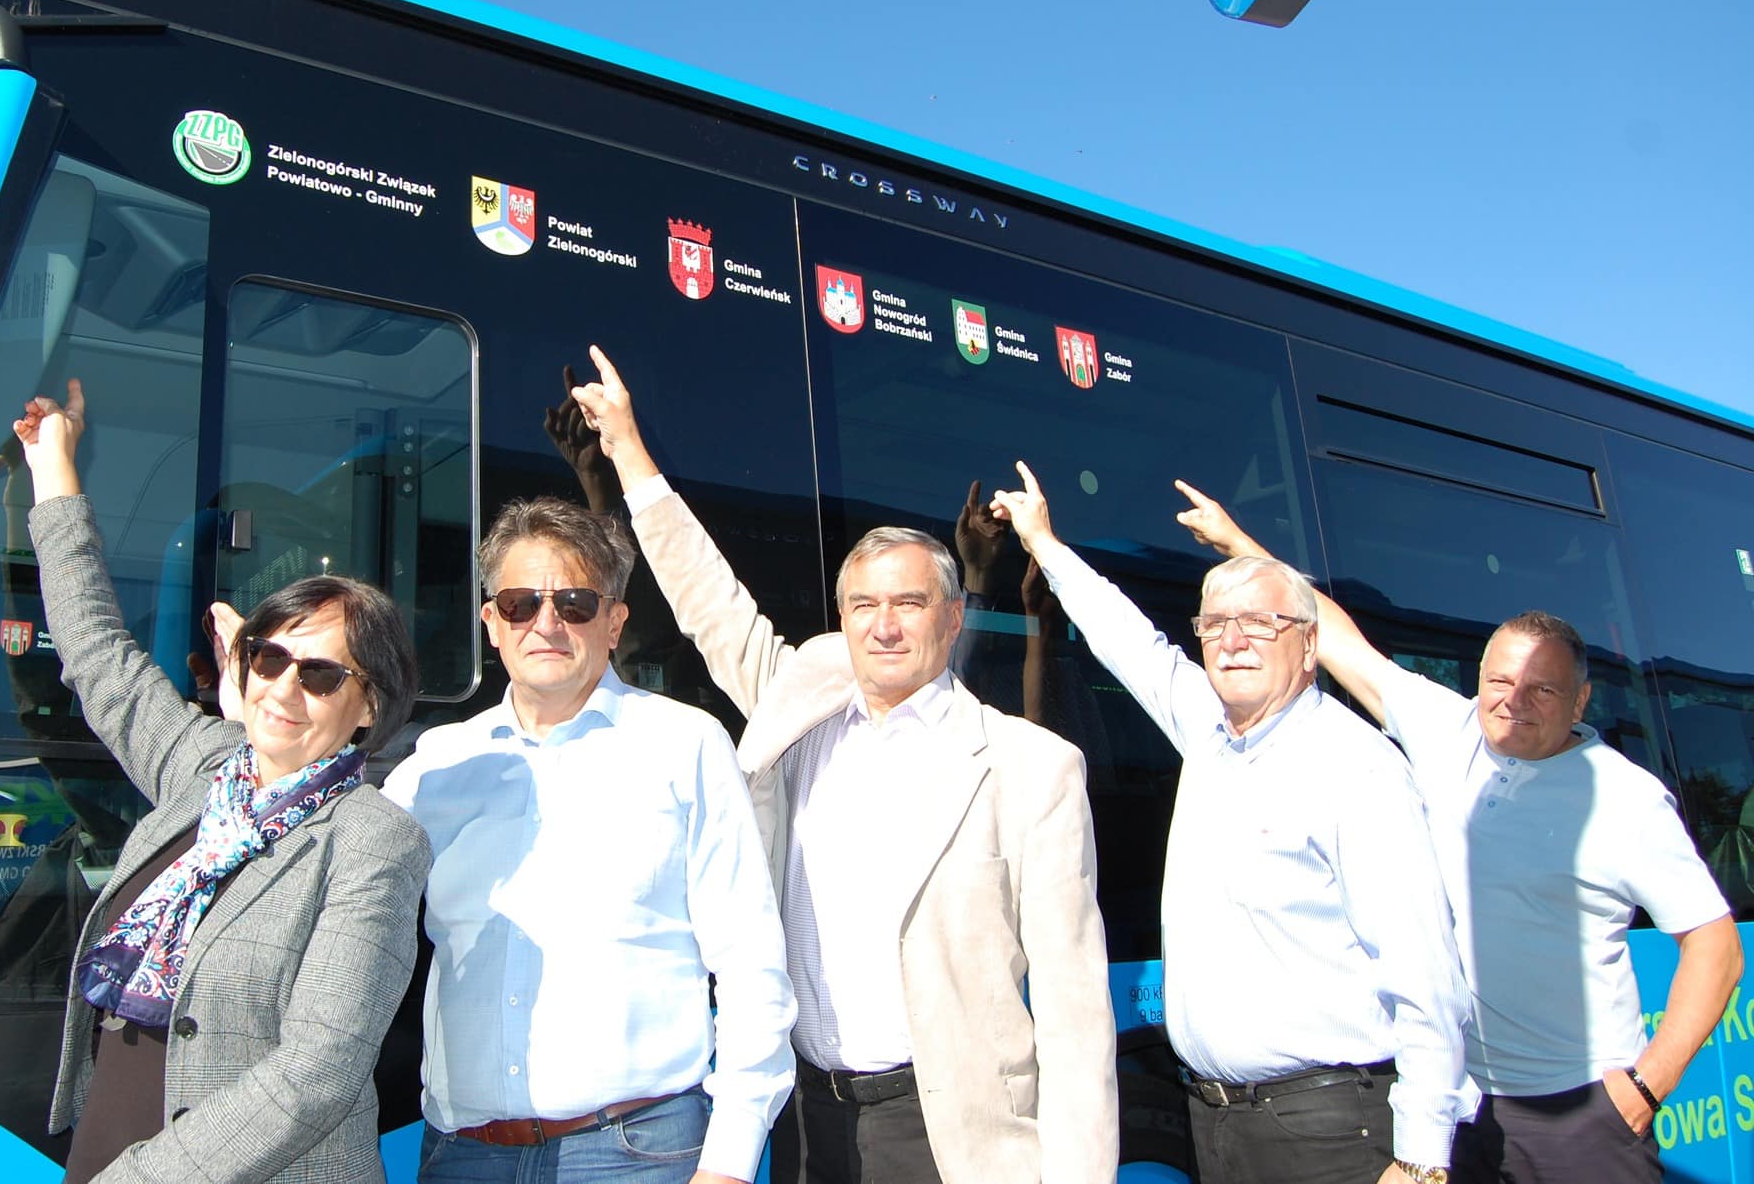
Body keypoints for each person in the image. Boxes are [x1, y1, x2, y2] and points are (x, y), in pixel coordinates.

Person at [570, 347, 1116, 1184]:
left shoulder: (1032, 768)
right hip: (802, 1122)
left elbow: (1076, 1009)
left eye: (909, 603)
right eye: (863, 605)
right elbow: (710, 602)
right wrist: (627, 450)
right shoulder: (804, 707)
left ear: (954, 618)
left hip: (943, 1133)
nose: (883, 626)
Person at [1172, 479, 1745, 1184]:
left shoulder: (1624, 799)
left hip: (1579, 1111)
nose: (1513, 702)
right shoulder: (1450, 732)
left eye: (1542, 689)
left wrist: (1646, 1088)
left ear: (1581, 701)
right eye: (1498, 681)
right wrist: (1239, 545)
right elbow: (1333, 637)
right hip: (1464, 1105)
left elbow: (1716, 946)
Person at [990, 461, 1472, 1184]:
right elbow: (1129, 641)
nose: (1233, 640)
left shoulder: (1356, 768)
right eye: (1214, 624)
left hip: (1331, 1129)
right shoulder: (1209, 732)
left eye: (1259, 623)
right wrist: (1044, 543)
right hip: (1216, 1124)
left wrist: (1422, 1160)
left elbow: (1425, 976)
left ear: (1308, 646)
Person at [12, 380, 431, 1184]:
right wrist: (52, 467)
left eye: (319, 674)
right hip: (105, 1143)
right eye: (269, 658)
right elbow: (96, 653)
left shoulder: (373, 840)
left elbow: (317, 1072)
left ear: (369, 706)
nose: (283, 688)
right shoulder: (203, 770)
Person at [381, 495, 795, 1184]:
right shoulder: (433, 768)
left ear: (613, 622)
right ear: (492, 623)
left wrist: (728, 1161)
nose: (546, 623)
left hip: (639, 1153)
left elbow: (751, 961)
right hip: (461, 1156)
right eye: (520, 603)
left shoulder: (685, 745)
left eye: (573, 603)